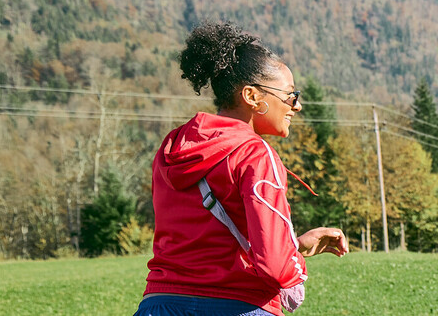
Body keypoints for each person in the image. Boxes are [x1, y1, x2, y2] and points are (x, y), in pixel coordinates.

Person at [137, 22, 349, 316]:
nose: (296, 105)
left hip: (159, 304)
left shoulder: (171, 147)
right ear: (251, 96)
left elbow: (204, 240)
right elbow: (275, 266)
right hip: (237, 303)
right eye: (290, 95)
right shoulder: (256, 154)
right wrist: (295, 264)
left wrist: (295, 245)